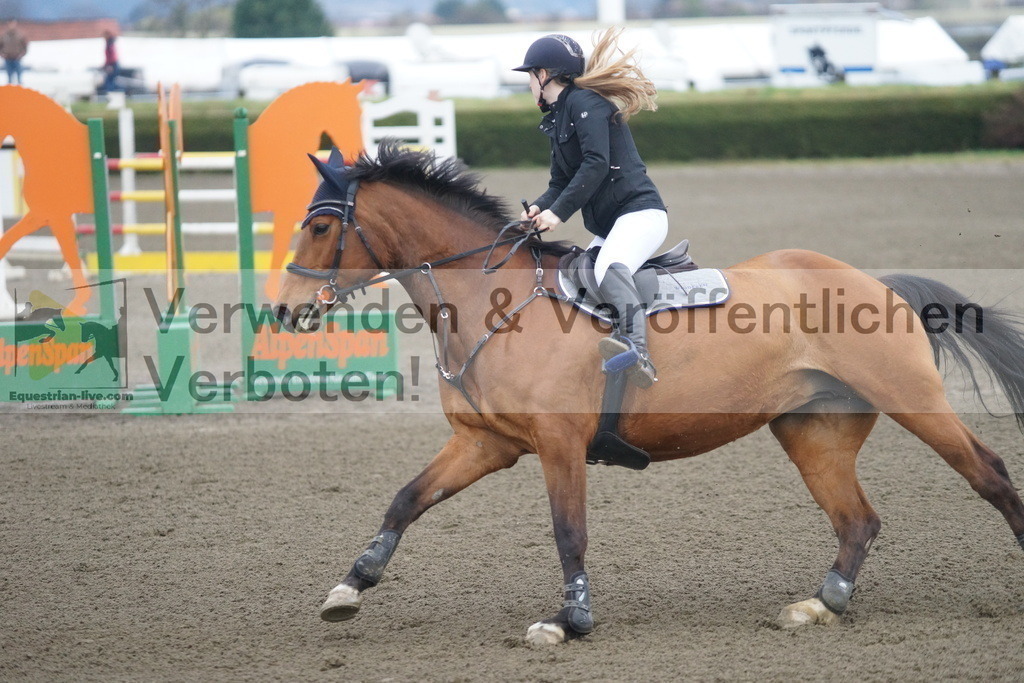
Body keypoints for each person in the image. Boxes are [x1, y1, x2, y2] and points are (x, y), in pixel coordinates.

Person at [514, 29, 667, 388]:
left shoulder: (586, 104)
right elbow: (558, 183)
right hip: (613, 224)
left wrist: (558, 214)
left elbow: (597, 164)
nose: (529, 85)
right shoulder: (559, 116)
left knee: (608, 269)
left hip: (641, 214)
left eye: (530, 76)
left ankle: (638, 352)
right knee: (578, 273)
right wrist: (538, 208)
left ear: (544, 75)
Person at [0, 20, 28, 85]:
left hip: (17, 57)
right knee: (9, 74)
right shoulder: (4, 35)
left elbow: (24, 45)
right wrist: (2, 54)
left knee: (19, 73)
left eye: (13, 24)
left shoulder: (20, 35)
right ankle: (10, 87)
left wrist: (22, 54)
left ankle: (19, 85)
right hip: (7, 57)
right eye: (10, 24)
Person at [101, 29, 119, 94]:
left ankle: (111, 94)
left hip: (112, 64)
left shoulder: (109, 44)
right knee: (111, 79)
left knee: (110, 80)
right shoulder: (110, 43)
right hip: (112, 63)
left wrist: (109, 65)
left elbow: (111, 56)